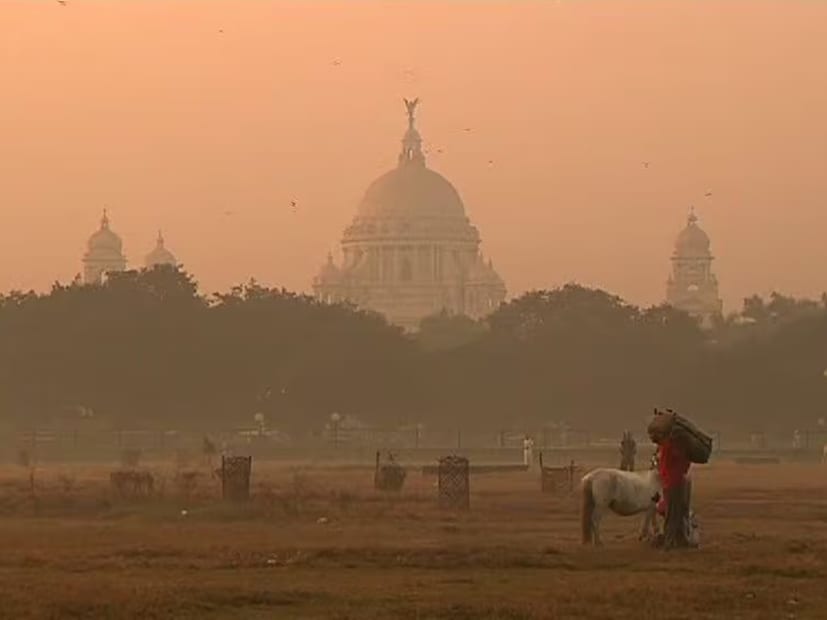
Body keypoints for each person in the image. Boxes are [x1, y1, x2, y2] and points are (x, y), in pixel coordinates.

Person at [650, 426, 692, 549]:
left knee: (676, 512)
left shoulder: (665, 446)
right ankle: (670, 542)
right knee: (674, 513)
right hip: (674, 483)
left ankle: (680, 540)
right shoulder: (672, 447)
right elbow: (684, 464)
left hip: (670, 482)